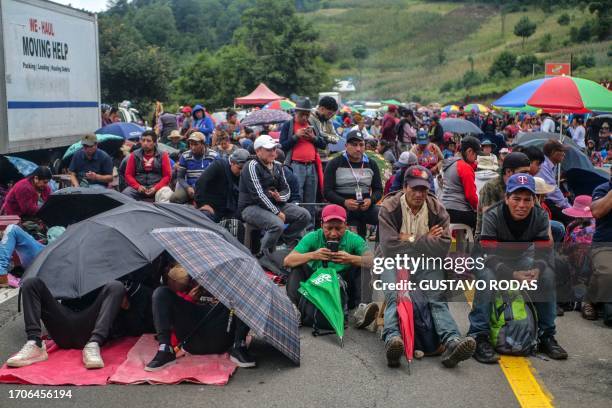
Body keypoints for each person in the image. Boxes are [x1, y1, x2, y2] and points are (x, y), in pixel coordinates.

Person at [377, 165, 476, 368]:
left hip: (426, 262)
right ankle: (392, 340)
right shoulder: (389, 207)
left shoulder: (437, 210)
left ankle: (452, 341)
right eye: (414, 188)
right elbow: (388, 246)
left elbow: (442, 247)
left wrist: (408, 239)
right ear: (405, 187)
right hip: (393, 261)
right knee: (396, 295)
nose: (418, 194)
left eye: (423, 189)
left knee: (436, 297)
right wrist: (424, 239)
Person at [471, 173, 567, 363]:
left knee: (547, 275)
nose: (521, 205)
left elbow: (544, 251)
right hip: (490, 258)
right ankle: (479, 335)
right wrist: (513, 275)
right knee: (487, 279)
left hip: (521, 258)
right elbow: (488, 254)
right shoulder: (493, 215)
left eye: (527, 199)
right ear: (506, 198)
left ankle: (546, 335)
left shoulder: (540, 215)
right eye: (516, 198)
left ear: (534, 200)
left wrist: (537, 269)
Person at [145, 265, 254, 370]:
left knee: (244, 288)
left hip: (222, 333)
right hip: (191, 337)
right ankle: (165, 349)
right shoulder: (186, 277)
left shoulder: (229, 277)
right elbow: (174, 309)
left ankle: (239, 345)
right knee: (160, 292)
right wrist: (190, 297)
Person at [284, 204, 373, 311]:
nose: (333, 234)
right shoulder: (313, 237)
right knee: (297, 267)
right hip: (317, 284)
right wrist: (313, 255)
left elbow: (374, 261)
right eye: (329, 228)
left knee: (363, 266)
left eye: (338, 228)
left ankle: (362, 308)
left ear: (346, 225)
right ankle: (293, 309)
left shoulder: (354, 239)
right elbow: (287, 261)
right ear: (322, 225)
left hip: (344, 288)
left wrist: (351, 259)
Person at [238, 135, 311, 254]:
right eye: (268, 149)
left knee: (304, 215)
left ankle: (280, 241)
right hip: (250, 207)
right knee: (277, 224)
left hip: (274, 203)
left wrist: (279, 197)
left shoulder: (277, 165)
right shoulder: (251, 166)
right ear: (258, 151)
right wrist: (277, 212)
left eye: (274, 149)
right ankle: (263, 256)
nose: (273, 152)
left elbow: (286, 189)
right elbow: (258, 195)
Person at [323, 130, 383, 237]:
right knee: (353, 239)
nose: (358, 149)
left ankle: (380, 251)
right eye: (354, 145)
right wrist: (344, 202)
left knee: (385, 216)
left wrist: (371, 200)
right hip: (341, 206)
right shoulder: (335, 163)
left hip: (364, 207)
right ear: (346, 146)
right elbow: (327, 192)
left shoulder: (371, 164)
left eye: (361, 145)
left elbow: (378, 190)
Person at [280, 98, 326, 224]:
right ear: (296, 112)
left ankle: (310, 229)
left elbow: (323, 144)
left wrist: (313, 138)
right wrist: (296, 136)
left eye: (307, 115)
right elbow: (282, 146)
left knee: (310, 199)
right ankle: (297, 230)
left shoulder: (312, 125)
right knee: (297, 197)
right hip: (295, 166)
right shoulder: (288, 125)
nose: (305, 118)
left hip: (312, 166)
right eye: (302, 115)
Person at [195, 148, 249, 222]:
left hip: (229, 209)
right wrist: (202, 204)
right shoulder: (219, 165)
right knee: (204, 217)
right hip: (212, 207)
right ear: (232, 163)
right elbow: (200, 183)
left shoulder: (243, 173)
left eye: (244, 169)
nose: (241, 172)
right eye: (239, 168)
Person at [586, 179, 612, 323]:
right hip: (605, 246)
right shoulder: (602, 189)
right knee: (608, 274)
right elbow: (597, 211)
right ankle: (589, 299)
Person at [441, 136, 481, 230]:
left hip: (445, 209)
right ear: (470, 151)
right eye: (476, 155)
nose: (476, 158)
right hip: (459, 211)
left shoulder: (450, 163)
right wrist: (480, 209)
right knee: (486, 220)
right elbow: (471, 196)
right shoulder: (465, 168)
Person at [122, 130, 173, 202]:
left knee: (166, 194)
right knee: (125, 194)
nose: (145, 143)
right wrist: (138, 186)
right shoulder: (134, 155)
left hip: (157, 188)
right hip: (138, 188)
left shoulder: (163, 155)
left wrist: (156, 188)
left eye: (148, 141)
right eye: (143, 140)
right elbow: (128, 174)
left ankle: (161, 213)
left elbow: (167, 176)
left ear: (155, 143)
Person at [171, 132, 217, 204]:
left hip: (207, 188)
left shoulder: (213, 156)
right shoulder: (185, 156)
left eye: (196, 144)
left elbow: (217, 177)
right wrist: (187, 188)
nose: (193, 147)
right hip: (190, 187)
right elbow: (180, 177)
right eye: (191, 144)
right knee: (175, 198)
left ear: (203, 144)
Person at [536, 140, 571, 223]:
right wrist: (568, 208)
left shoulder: (552, 164)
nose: (564, 154)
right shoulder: (544, 166)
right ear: (553, 152)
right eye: (561, 151)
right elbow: (552, 190)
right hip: (542, 201)